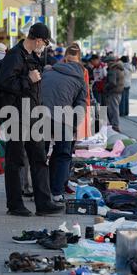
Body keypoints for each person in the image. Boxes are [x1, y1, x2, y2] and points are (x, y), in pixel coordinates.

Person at [0, 23, 63, 217]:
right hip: (16, 114)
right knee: (15, 160)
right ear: (37, 39)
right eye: (44, 42)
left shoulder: (33, 56)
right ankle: (15, 205)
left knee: (39, 158)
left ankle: (44, 203)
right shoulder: (15, 55)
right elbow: (5, 83)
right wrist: (28, 79)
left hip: (33, 114)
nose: (44, 46)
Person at [42, 48, 87, 203]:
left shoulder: (48, 72)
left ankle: (39, 189)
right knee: (63, 154)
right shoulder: (80, 80)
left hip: (40, 116)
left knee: (40, 153)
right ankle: (56, 192)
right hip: (63, 119)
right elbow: (80, 108)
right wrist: (74, 128)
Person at [104, 56, 125, 132]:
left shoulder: (112, 69)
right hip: (119, 91)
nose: (106, 64)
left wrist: (105, 87)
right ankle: (115, 125)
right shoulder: (119, 68)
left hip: (113, 92)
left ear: (110, 62)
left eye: (107, 63)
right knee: (115, 108)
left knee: (113, 109)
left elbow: (112, 82)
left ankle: (115, 126)